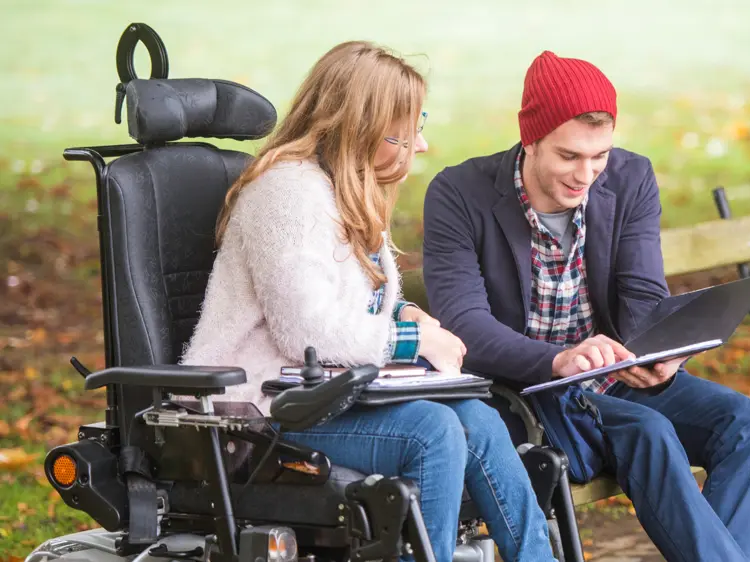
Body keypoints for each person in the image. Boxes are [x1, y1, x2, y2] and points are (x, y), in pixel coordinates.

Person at [181, 41, 557, 562]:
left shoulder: (344, 189)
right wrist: (413, 339)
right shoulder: (287, 192)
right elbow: (306, 332)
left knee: (481, 419)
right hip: (258, 410)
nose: (420, 145)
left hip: (325, 395)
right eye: (403, 132)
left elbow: (352, 299)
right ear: (359, 126)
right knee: (433, 433)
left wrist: (404, 313)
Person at [421, 50, 750, 562]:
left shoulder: (631, 178)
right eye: (569, 156)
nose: (586, 174)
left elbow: (642, 295)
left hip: (614, 376)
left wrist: (662, 349)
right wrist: (558, 360)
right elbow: (465, 326)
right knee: (649, 432)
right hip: (528, 391)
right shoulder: (460, 193)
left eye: (599, 156)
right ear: (530, 138)